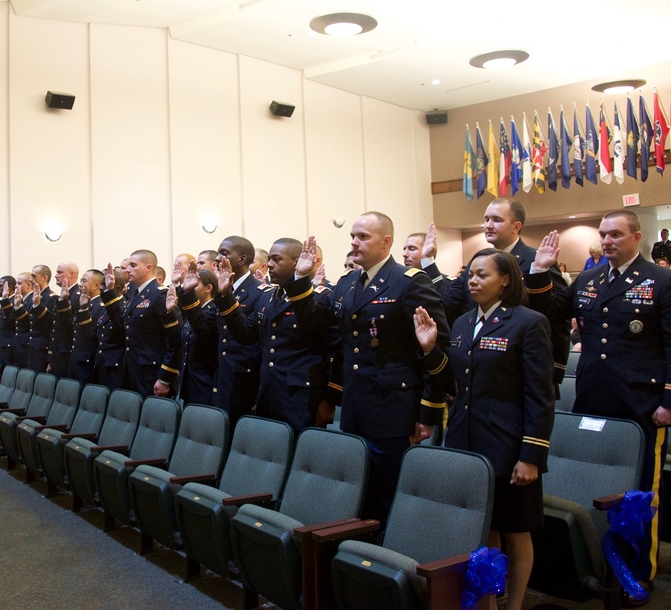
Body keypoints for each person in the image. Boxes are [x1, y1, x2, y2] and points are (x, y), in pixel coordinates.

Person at [414, 249, 554, 610]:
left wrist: (532, 455)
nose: (472, 281)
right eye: (470, 275)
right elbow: (451, 383)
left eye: (482, 275)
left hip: (508, 443)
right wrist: (430, 349)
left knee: (515, 529)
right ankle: (488, 603)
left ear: (505, 280)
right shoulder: (462, 323)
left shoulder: (528, 322)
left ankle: (516, 604)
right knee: (484, 528)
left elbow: (539, 396)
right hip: (466, 438)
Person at [293, 217, 452, 527]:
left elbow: (435, 348)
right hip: (357, 405)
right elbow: (322, 328)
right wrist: (301, 279)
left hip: (394, 406)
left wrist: (428, 412)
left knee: (389, 491)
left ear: (386, 242)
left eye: (362, 236)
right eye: (352, 236)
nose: (354, 242)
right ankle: (361, 558)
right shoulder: (347, 283)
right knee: (359, 489)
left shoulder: (409, 281)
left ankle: (391, 559)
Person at [563, 210, 671, 597]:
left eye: (616, 235)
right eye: (603, 235)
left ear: (636, 238)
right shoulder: (589, 279)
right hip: (594, 396)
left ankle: (639, 570)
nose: (607, 241)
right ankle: (594, 561)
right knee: (599, 483)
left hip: (641, 401)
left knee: (641, 491)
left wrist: (669, 400)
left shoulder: (661, 280)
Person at [422, 199, 571, 389]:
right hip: (479, 366)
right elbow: (447, 303)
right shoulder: (478, 263)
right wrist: (428, 261)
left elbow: (556, 316)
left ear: (516, 226)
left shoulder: (537, 259)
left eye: (496, 220)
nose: (488, 225)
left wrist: (555, 369)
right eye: (486, 219)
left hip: (521, 370)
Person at [214, 237, 333, 434]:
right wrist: (226, 296)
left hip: (301, 397)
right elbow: (245, 334)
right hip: (268, 392)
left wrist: (329, 399)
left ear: (297, 263)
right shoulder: (267, 297)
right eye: (269, 259)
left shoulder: (320, 297)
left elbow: (332, 349)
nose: (269, 264)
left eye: (277, 259)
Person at [103, 250, 181, 396]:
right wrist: (109, 291)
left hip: (152, 373)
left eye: (133, 265)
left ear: (149, 267)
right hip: (133, 370)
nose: (127, 270)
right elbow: (122, 325)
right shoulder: (136, 294)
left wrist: (165, 377)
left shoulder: (160, 294)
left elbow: (175, 340)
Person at [167, 267, 219, 406]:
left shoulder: (214, 311)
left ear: (208, 288)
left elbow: (204, 335)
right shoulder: (194, 311)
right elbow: (178, 339)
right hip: (190, 383)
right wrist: (171, 312)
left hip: (207, 384)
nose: (187, 287)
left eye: (194, 284)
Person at [71, 269, 104, 383]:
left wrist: (84, 310)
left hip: (87, 362)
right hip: (77, 359)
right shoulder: (85, 302)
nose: (80, 284)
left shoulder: (101, 306)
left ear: (96, 285)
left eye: (84, 281)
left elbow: (92, 335)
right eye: (81, 280)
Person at [49, 262, 80, 378]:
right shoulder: (62, 296)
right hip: (58, 352)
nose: (56, 275)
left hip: (67, 354)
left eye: (59, 272)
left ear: (72, 274)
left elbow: (72, 327)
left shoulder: (77, 296)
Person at [27, 264, 57, 372]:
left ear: (44, 278)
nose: (30, 279)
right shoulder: (33, 296)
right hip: (32, 347)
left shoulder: (52, 298)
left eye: (34, 276)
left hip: (42, 349)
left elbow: (49, 323)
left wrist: (37, 305)